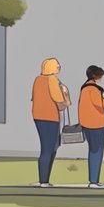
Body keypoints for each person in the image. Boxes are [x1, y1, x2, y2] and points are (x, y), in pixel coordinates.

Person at [30, 57, 70, 187]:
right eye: (57, 65)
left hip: (38, 117)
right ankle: (44, 180)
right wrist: (66, 96)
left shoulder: (38, 80)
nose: (59, 67)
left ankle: (44, 179)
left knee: (48, 147)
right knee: (50, 149)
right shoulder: (52, 80)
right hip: (50, 118)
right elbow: (60, 104)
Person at [78, 64, 104, 188]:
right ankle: (94, 181)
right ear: (96, 76)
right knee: (97, 151)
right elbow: (101, 105)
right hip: (97, 124)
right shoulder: (94, 89)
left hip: (87, 124)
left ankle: (94, 180)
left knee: (93, 150)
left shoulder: (84, 88)